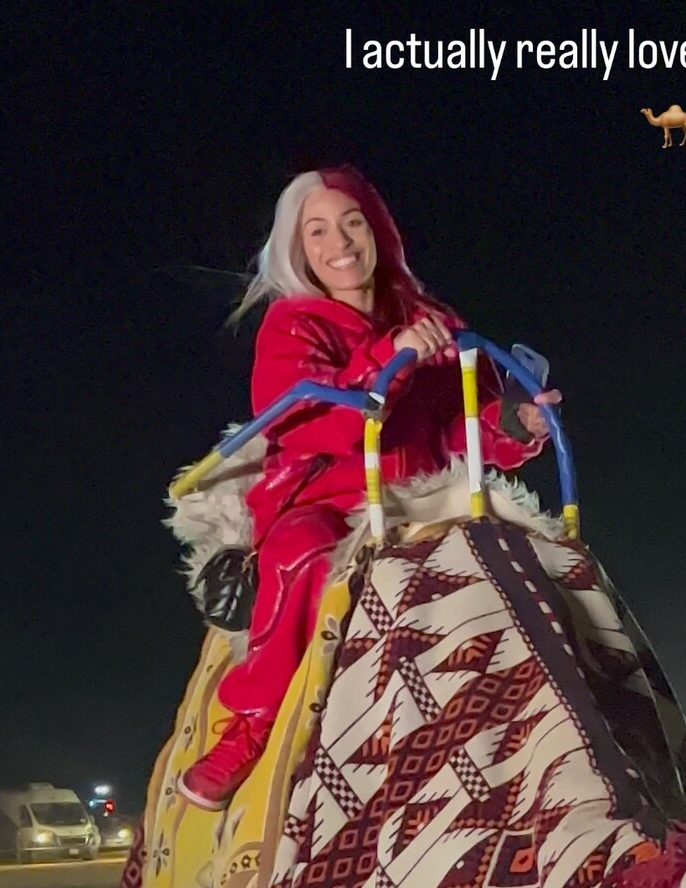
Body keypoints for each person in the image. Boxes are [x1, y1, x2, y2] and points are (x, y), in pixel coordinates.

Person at [177, 165, 558, 809]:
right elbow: (315, 426)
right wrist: (392, 357)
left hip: (427, 495)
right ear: (300, 249)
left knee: (544, 560)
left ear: (378, 230)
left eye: (352, 222)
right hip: (329, 499)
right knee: (299, 551)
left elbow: (461, 431)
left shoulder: (433, 321)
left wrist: (516, 422)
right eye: (318, 231)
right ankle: (252, 723)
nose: (341, 243)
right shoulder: (293, 325)